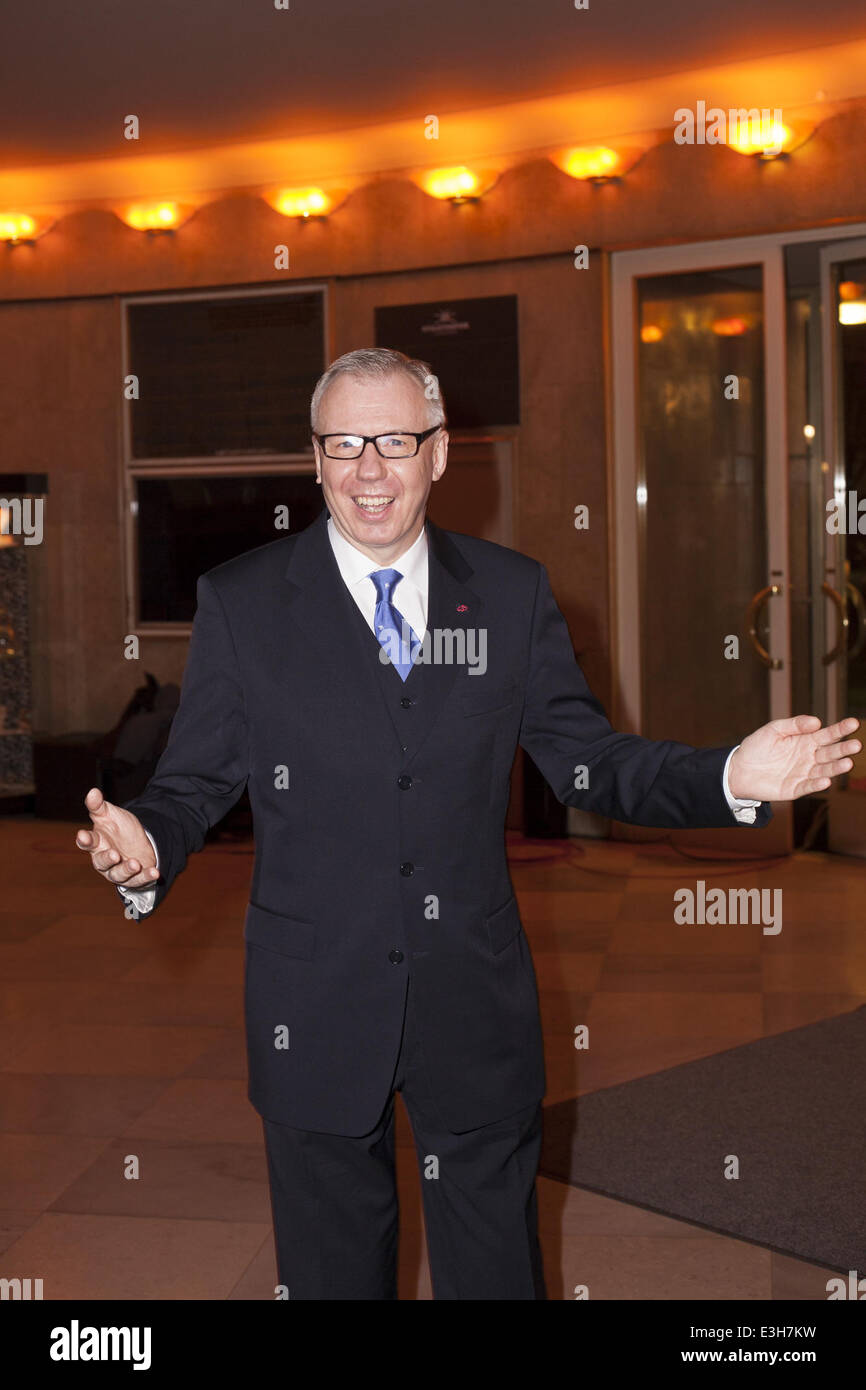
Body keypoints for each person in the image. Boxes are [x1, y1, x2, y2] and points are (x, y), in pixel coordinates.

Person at [76, 347, 860, 1300]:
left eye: (396, 440)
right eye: (345, 443)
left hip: (473, 1002)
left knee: (495, 1273)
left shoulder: (508, 594)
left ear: (440, 453)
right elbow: (194, 781)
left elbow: (587, 761)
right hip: (313, 1004)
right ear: (314, 459)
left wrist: (728, 773)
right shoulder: (242, 604)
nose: (371, 469)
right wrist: (148, 843)